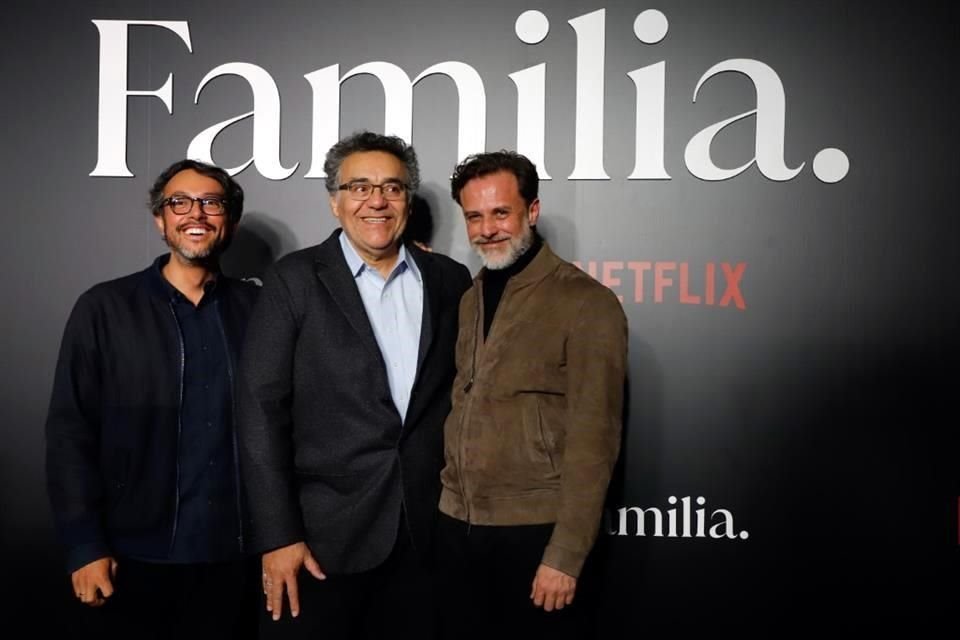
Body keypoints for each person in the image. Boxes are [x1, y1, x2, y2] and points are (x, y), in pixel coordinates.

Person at [237, 131, 471, 639]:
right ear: (335, 201)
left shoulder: (450, 280)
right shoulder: (293, 280)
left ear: (408, 200)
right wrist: (278, 537)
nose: (377, 201)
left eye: (392, 187)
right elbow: (259, 411)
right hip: (321, 543)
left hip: (426, 536)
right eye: (360, 187)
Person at [45, 159, 260, 639]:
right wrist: (84, 545)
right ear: (160, 220)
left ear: (232, 221)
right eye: (178, 203)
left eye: (211, 202)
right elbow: (69, 433)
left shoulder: (260, 310)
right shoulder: (104, 308)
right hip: (133, 557)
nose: (195, 214)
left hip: (236, 559)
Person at [437, 151, 628, 638]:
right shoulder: (469, 298)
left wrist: (565, 555)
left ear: (533, 211)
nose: (487, 229)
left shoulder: (587, 303)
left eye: (501, 213)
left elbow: (595, 441)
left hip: (536, 533)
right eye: (474, 216)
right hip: (458, 529)